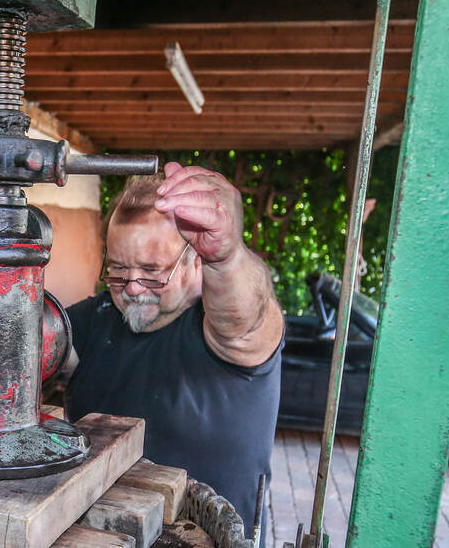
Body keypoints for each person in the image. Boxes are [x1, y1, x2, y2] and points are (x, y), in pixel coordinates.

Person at [63, 166, 284, 540]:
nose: (132, 287)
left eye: (152, 271)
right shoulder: (93, 319)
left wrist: (227, 258)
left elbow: (247, 316)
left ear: (196, 259)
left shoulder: (224, 330)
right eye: (118, 269)